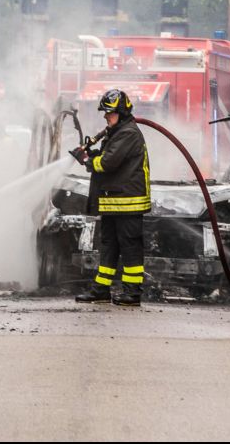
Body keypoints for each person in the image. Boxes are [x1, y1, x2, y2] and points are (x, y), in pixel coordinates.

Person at [74, 89, 151, 307]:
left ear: (121, 112)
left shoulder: (128, 133)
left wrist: (88, 160)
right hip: (114, 202)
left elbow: (108, 163)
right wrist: (92, 155)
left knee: (130, 247)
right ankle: (101, 289)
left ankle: (132, 293)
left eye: (109, 113)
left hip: (128, 203)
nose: (106, 117)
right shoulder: (117, 132)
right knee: (108, 245)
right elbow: (107, 157)